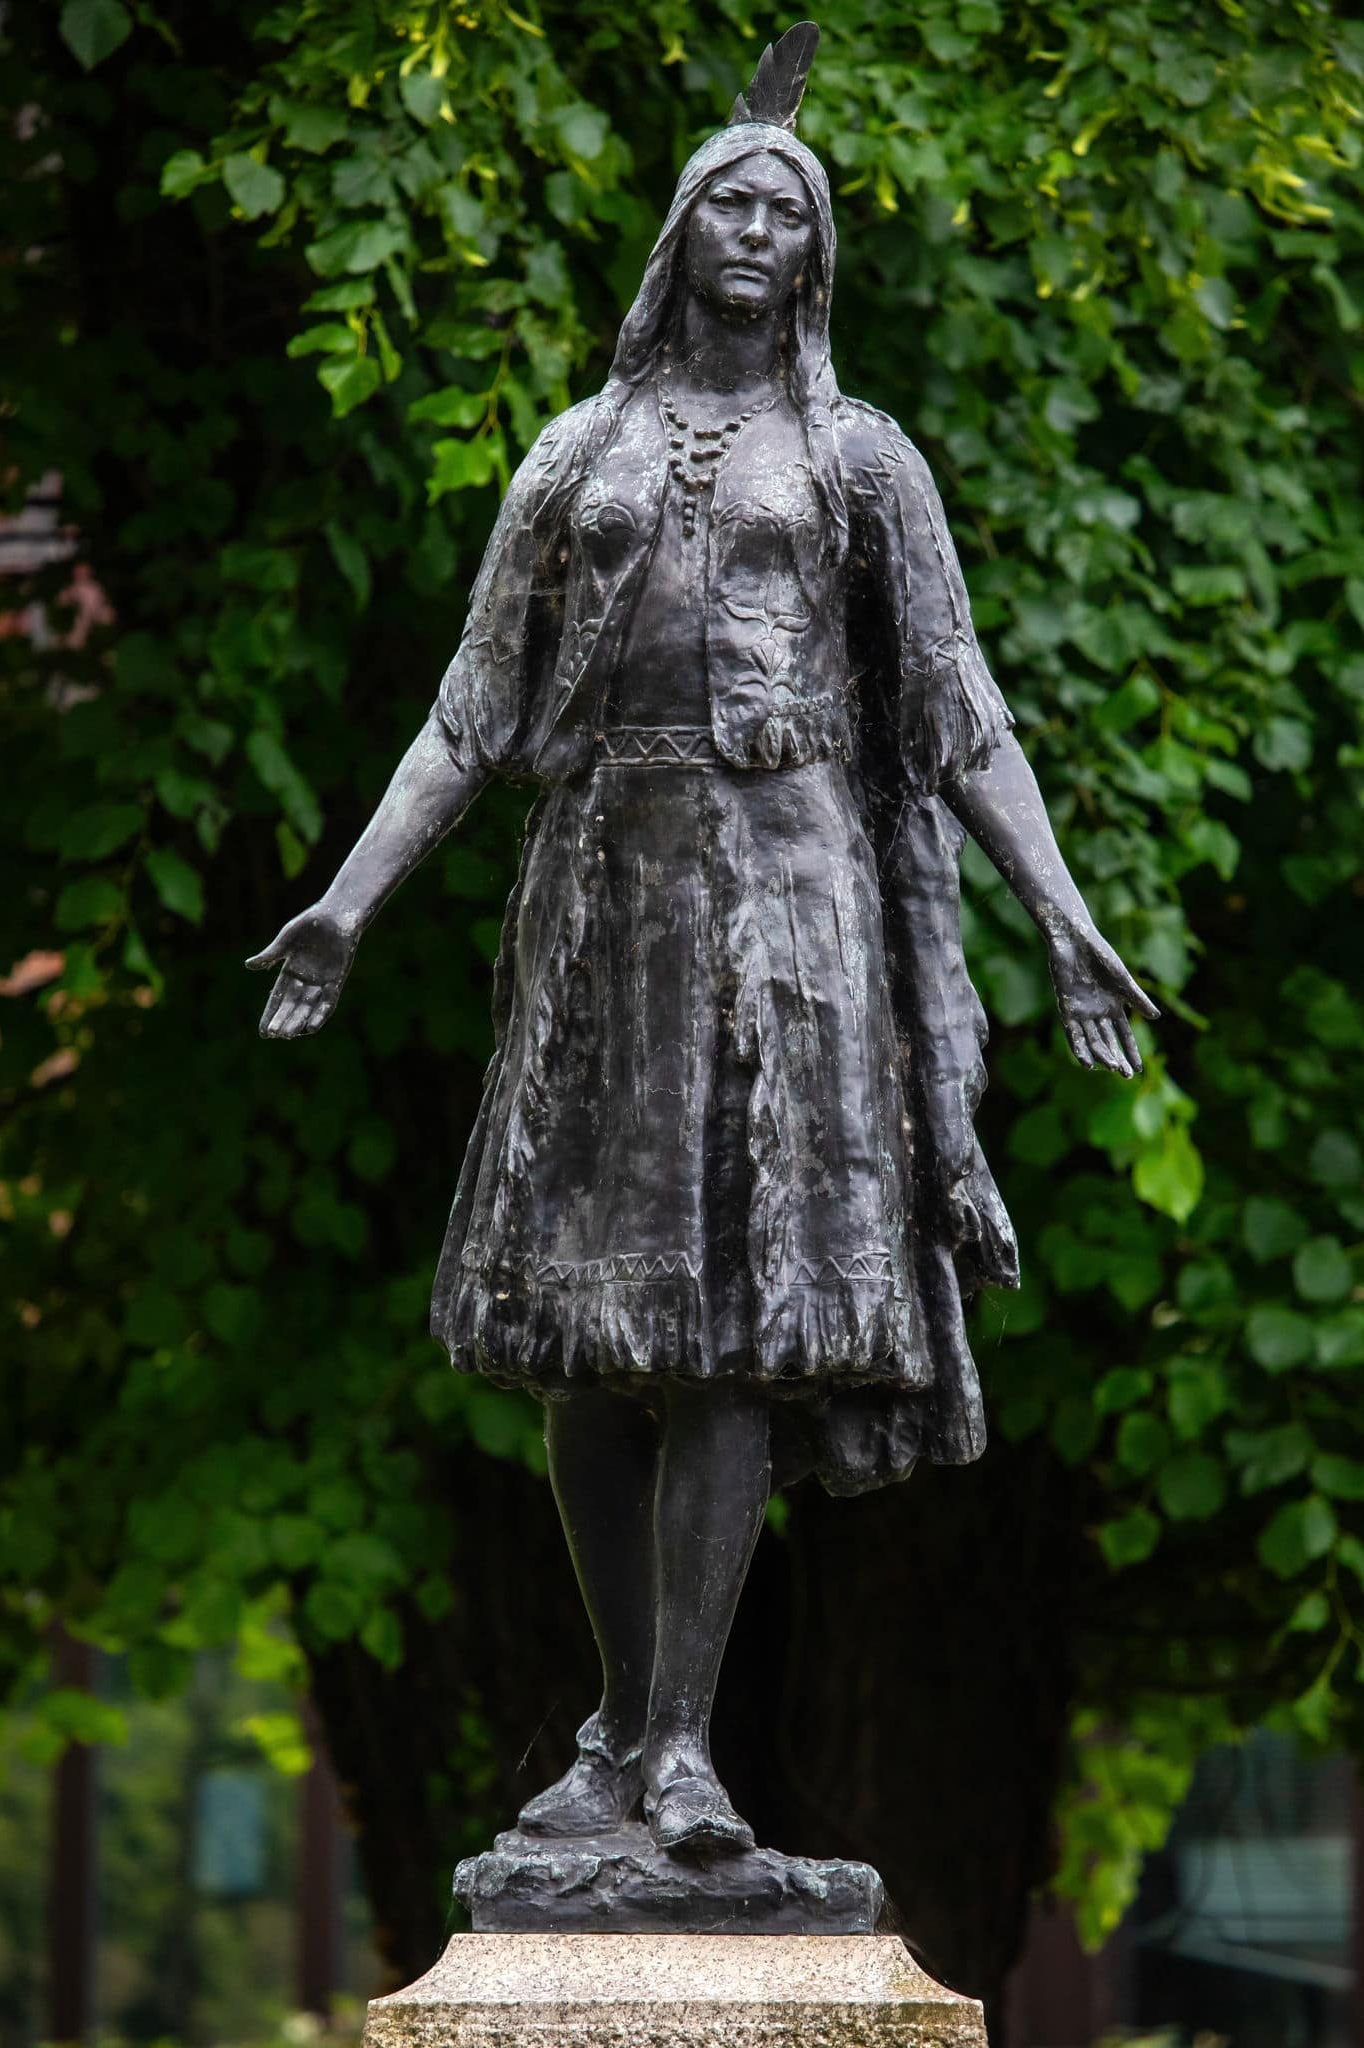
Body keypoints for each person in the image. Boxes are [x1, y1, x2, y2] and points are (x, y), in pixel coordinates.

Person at [249, 25, 1156, 1863]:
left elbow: (957, 711)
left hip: (789, 902)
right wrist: (349, 900)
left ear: (813, 253)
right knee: (591, 1344)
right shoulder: (576, 450)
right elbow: (465, 713)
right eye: (725, 201)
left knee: (733, 1336)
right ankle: (617, 1721)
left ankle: (676, 1751)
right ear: (680, 235)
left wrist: (1065, 925)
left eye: (781, 206)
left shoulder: (860, 460)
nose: (752, 227)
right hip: (600, 899)